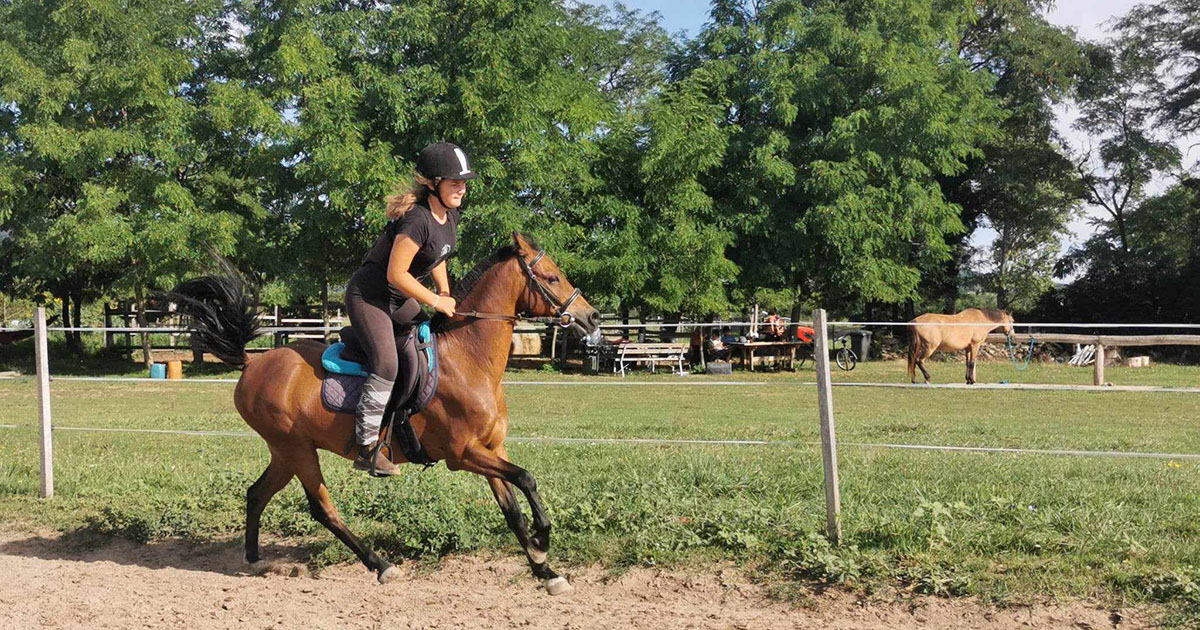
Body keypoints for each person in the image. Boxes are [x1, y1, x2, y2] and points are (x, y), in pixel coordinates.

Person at [344, 142, 477, 475]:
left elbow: (437, 256)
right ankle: (367, 449)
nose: (461, 188)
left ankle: (405, 423)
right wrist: (434, 300)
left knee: (428, 344)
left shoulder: (450, 214)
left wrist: (445, 290)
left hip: (398, 299)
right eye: (454, 183)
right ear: (433, 184)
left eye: (463, 182)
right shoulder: (416, 219)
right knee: (387, 364)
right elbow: (396, 274)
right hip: (370, 297)